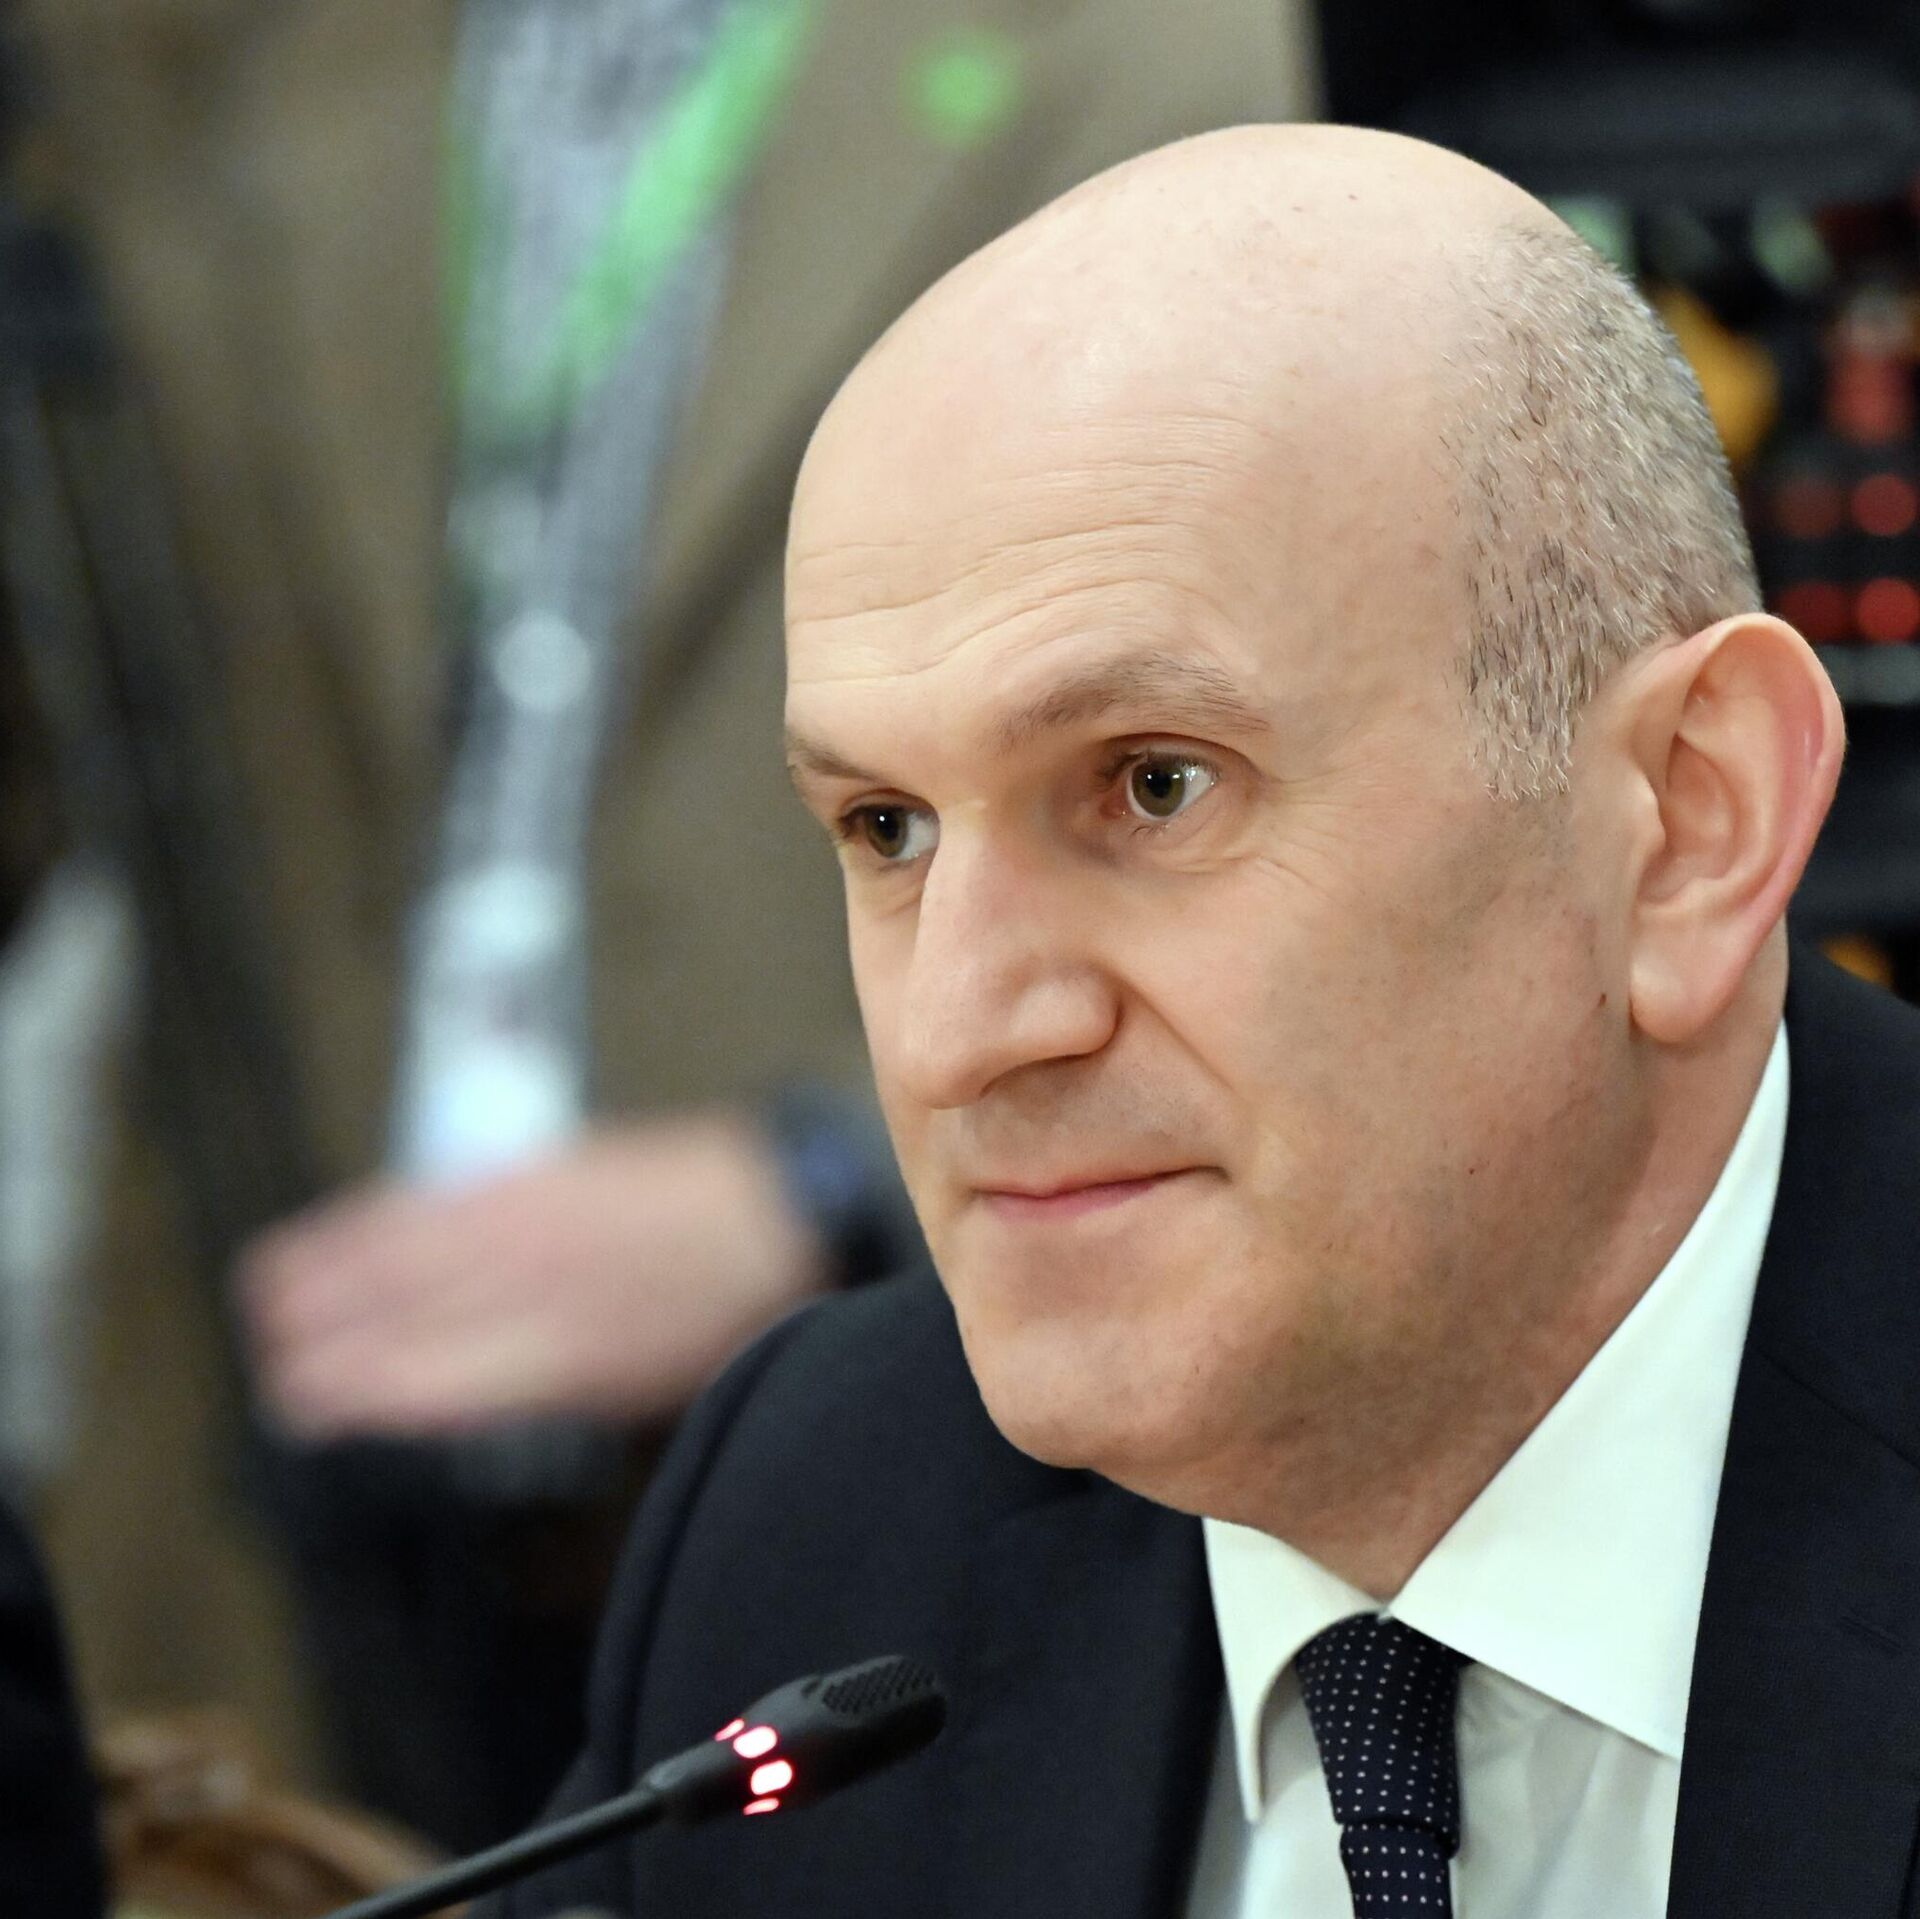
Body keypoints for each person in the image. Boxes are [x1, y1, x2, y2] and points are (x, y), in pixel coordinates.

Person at [473, 124, 1918, 1919]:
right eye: (888, 829)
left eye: (1155, 785)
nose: (957, 1033)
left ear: (1689, 823)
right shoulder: (822, 1526)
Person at [20, 0, 1316, 1843]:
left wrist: (823, 1179)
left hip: (904, 1481)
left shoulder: (1169, 59)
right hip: (266, 1516)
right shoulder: (181, 69)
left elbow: (1295, 792)